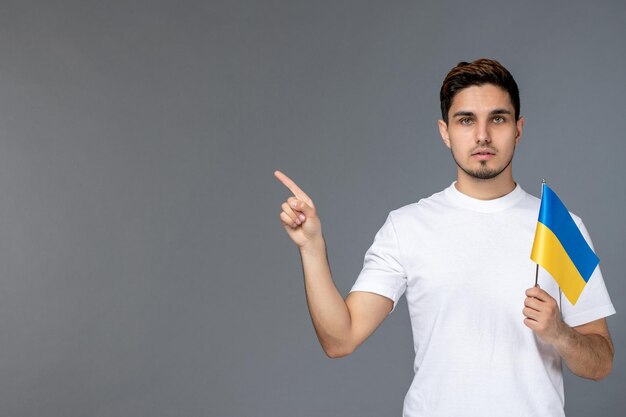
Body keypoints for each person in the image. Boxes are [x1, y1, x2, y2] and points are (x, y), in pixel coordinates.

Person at [274, 58, 615, 417]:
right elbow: (340, 339)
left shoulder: (561, 228)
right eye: (466, 120)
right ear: (445, 131)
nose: (482, 135)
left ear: (518, 128)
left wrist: (559, 332)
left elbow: (601, 362)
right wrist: (311, 247)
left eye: (497, 118)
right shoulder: (406, 227)